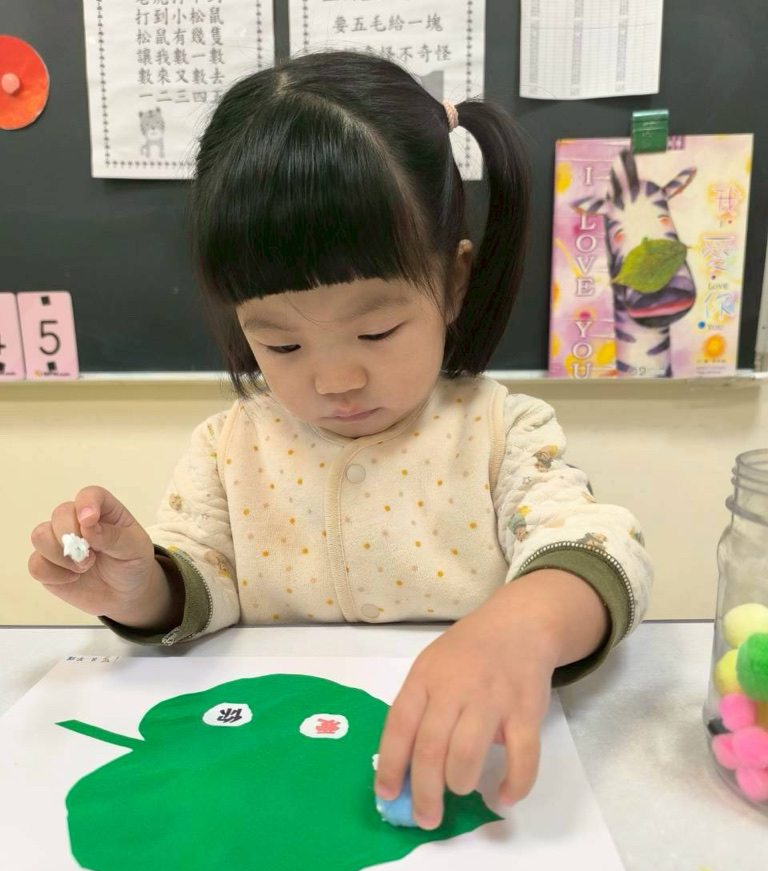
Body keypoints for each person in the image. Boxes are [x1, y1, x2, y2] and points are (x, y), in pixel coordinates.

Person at [28, 51, 652, 830]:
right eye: (281, 344)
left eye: (376, 329)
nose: (335, 380)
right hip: (275, 771)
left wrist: (522, 627)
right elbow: (202, 580)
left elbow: (598, 547)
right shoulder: (228, 446)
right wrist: (138, 590)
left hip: (455, 764)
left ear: (453, 283)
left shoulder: (503, 432)